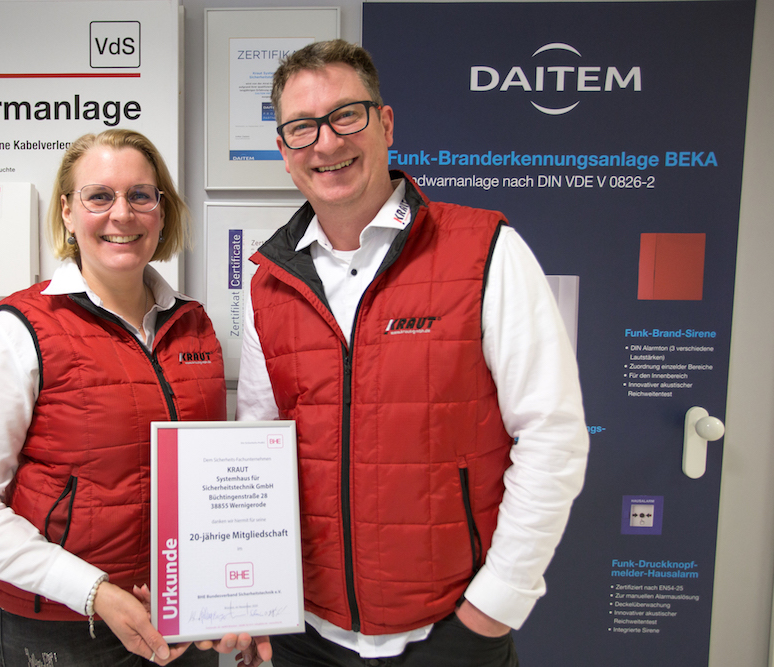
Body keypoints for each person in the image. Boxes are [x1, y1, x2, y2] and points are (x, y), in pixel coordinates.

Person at [228, 40, 589, 667]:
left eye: (347, 115)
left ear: (385, 123)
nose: (326, 143)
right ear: (284, 152)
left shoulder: (486, 250)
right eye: (302, 128)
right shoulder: (269, 283)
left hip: (446, 633)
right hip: (302, 632)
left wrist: (493, 608)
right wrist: (250, 593)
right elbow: (259, 448)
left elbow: (552, 435)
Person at [0, 129, 226, 667]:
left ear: (162, 212)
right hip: (63, 629)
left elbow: (216, 483)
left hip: (180, 616)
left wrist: (233, 595)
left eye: (141, 195)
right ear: (68, 212)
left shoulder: (194, 324)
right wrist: (93, 591)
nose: (123, 213)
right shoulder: (20, 328)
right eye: (100, 196)